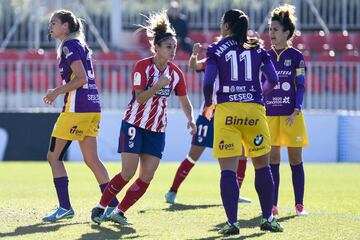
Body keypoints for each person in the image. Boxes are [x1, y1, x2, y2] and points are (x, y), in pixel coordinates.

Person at [90, 10, 196, 225]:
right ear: (156, 47)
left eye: (175, 47)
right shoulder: (142, 67)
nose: (173, 51)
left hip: (157, 129)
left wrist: (190, 119)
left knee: (147, 175)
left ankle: (119, 211)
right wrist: (157, 86)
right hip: (134, 125)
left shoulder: (176, 73)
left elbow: (185, 101)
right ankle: (101, 207)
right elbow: (139, 99)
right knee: (127, 173)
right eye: (169, 47)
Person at [203, 9, 284, 235]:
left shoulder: (216, 49)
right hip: (254, 111)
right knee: (262, 166)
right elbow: (274, 80)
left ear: (227, 26)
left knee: (228, 170)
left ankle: (232, 223)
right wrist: (259, 96)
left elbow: (208, 82)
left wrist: (209, 102)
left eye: (222, 23)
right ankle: (268, 218)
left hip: (227, 112)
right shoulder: (257, 48)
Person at [42, 9, 119, 222]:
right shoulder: (80, 44)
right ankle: (113, 206)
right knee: (93, 160)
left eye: (54, 22)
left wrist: (56, 92)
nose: (51, 26)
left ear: (65, 26)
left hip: (77, 109)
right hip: (93, 106)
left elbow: (82, 78)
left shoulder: (69, 45)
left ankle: (65, 207)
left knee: (53, 157)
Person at [165, 42, 251, 204]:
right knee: (193, 156)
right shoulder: (213, 59)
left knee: (241, 153)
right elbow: (194, 66)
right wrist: (194, 54)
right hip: (208, 116)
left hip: (230, 116)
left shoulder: (238, 62)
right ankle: (172, 191)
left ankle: (235, 194)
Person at [264, 4, 309, 217]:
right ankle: (273, 206)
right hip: (270, 116)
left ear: (287, 33)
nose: (271, 33)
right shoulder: (265, 56)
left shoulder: (297, 56)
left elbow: (300, 85)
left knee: (294, 160)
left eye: (275, 29)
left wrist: (296, 109)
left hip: (292, 115)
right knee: (273, 159)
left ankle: (299, 205)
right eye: (270, 29)